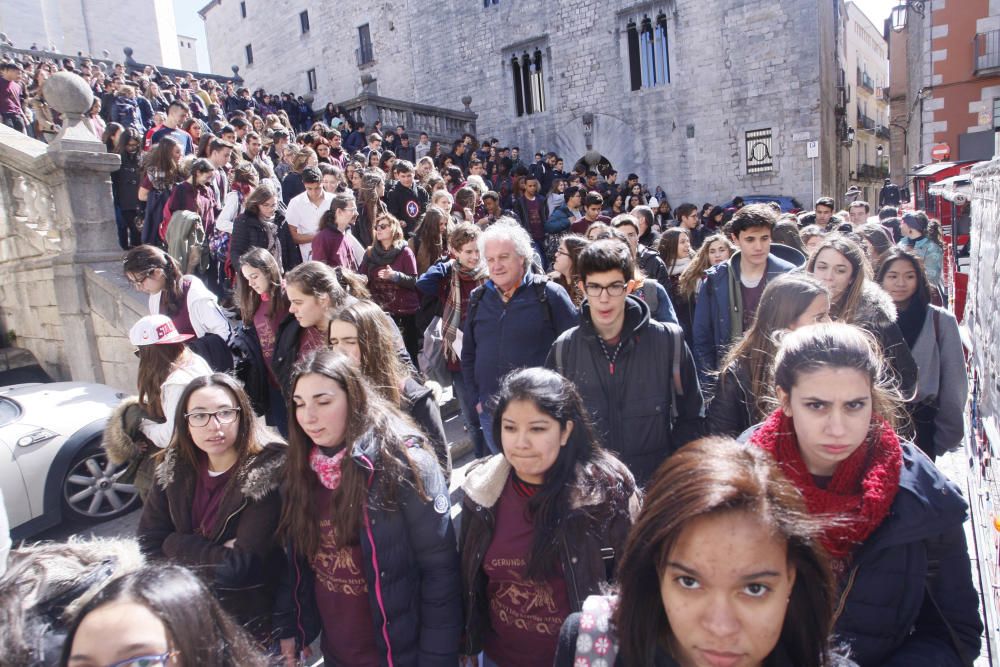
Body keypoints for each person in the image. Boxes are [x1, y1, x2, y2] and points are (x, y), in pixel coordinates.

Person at [747, 323, 982, 666]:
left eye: (855, 405)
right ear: (786, 400)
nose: (838, 427)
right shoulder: (740, 483)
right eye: (817, 406)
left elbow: (955, 634)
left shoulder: (921, 497)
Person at [555, 437, 850, 667]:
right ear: (658, 571)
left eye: (755, 588)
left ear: (791, 578)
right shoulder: (593, 648)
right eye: (689, 582)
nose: (720, 628)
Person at [273, 350, 462, 666]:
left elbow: (440, 572)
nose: (309, 416)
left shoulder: (404, 463)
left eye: (323, 401)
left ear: (353, 397)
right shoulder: (298, 470)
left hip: (399, 655)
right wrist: (294, 624)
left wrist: (436, 659)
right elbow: (297, 565)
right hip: (338, 653)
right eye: (300, 403)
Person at [460, 367, 639, 667]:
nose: (521, 443)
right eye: (510, 427)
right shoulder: (481, 492)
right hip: (498, 658)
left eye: (538, 429)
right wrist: (467, 644)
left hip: (583, 657)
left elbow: (636, 584)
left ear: (566, 430)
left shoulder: (606, 495)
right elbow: (469, 582)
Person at [136, 374, 286, 642]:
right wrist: (191, 548)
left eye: (225, 412)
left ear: (242, 415)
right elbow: (148, 541)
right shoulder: (174, 466)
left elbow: (240, 568)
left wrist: (173, 543)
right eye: (199, 415)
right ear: (186, 422)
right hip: (187, 613)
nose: (213, 426)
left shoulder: (268, 471)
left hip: (247, 619)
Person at [547, 239, 703, 484]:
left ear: (629, 287)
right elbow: (552, 425)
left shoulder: (668, 341)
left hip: (656, 491)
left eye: (614, 287)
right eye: (595, 287)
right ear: (582, 287)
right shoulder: (564, 350)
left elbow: (693, 418)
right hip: (591, 493)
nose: (604, 298)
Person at [462, 219, 579, 453]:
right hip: (492, 414)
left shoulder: (549, 295)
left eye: (503, 257)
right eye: (490, 259)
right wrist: (478, 400)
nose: (496, 266)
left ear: (522, 257)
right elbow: (468, 356)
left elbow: (576, 354)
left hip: (541, 415)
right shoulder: (478, 299)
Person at [60, 565, 270, 667]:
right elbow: (152, 536)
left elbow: (238, 563)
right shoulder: (169, 480)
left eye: (139, 663)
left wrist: (176, 540)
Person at [328, 300, 449, 474]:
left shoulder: (413, 398)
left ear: (373, 342)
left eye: (349, 341)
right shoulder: (337, 394)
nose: (339, 350)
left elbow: (440, 470)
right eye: (334, 342)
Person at [708, 273, 831, 437]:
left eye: (829, 314)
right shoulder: (738, 374)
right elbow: (721, 443)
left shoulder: (832, 363)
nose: (830, 323)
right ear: (787, 321)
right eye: (820, 317)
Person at [876, 248, 967, 459]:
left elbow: (954, 382)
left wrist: (947, 434)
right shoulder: (869, 320)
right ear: (880, 278)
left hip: (922, 423)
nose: (901, 283)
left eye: (909, 276)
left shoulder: (939, 320)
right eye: (893, 276)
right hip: (877, 423)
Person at [693, 204, 797, 383]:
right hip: (731, 376)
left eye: (764, 238)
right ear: (735, 239)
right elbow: (702, 336)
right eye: (750, 239)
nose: (759, 246)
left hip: (778, 375)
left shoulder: (790, 275)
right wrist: (712, 383)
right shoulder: (715, 279)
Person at [806, 235, 918, 400]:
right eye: (822, 267)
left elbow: (905, 378)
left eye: (840, 270)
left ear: (852, 277)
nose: (828, 276)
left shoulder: (875, 317)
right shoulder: (794, 310)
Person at [416, 222, 490, 456]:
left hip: (487, 352)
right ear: (455, 251)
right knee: (472, 416)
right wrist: (448, 265)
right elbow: (422, 283)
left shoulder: (488, 272)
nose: (474, 256)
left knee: (491, 412)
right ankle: (481, 459)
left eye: (478, 250)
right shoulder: (448, 275)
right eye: (468, 251)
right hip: (459, 357)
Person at [123, 245, 233, 371]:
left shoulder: (193, 293)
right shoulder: (155, 297)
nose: (138, 288)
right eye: (134, 283)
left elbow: (225, 332)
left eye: (140, 281)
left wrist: (192, 355)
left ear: (158, 272)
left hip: (205, 372)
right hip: (179, 372)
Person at [128, 314, 213, 452]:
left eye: (140, 352)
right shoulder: (194, 360)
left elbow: (171, 436)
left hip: (199, 452)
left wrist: (145, 426)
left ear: (150, 353)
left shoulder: (176, 384)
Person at [271, 261, 348, 396]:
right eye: (291, 302)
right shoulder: (291, 330)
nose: (291, 309)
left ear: (323, 300)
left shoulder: (356, 331)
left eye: (298, 302)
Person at [237, 247, 290, 430]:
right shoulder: (256, 300)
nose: (250, 283)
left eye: (254, 276)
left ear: (268, 270)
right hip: (271, 382)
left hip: (293, 380)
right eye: (247, 278)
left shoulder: (288, 295)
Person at [359, 212, 422, 365]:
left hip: (405, 311)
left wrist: (395, 276)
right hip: (381, 309)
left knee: (408, 351)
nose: (378, 230)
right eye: (377, 227)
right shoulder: (370, 252)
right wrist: (362, 279)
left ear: (393, 229)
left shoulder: (405, 251)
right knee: (386, 352)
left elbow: (414, 281)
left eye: (383, 226)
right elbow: (361, 274)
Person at [674, 233, 735, 347]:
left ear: (729, 252)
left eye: (722, 250)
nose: (717, 255)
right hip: (706, 337)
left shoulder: (738, 276)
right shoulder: (696, 281)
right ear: (707, 255)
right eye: (712, 251)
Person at [137, 135, 182, 246]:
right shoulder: (156, 172)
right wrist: (162, 196)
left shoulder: (179, 170)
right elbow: (142, 195)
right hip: (159, 218)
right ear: (168, 153)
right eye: (177, 152)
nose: (180, 155)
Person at [229, 182, 282, 272]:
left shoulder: (281, 219)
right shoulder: (244, 221)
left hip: (278, 274)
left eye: (273, 205)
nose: (270, 209)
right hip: (254, 275)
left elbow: (289, 250)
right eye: (265, 205)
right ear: (256, 204)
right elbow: (236, 252)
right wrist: (246, 273)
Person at [285, 166, 333, 263]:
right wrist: (320, 236)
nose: (314, 193)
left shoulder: (333, 200)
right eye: (309, 189)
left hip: (333, 253)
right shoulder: (295, 203)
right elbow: (292, 236)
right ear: (303, 184)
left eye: (317, 188)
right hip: (310, 260)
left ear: (322, 182)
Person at [312, 192, 364, 271]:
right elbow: (320, 273)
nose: (356, 213)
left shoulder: (346, 236)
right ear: (339, 212)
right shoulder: (323, 238)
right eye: (352, 210)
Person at [111, 129, 143, 250]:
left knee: (138, 233)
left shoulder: (141, 158)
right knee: (127, 230)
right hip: (124, 202)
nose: (132, 148)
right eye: (130, 145)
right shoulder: (117, 158)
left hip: (138, 201)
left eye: (135, 145)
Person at [898, 211, 944, 288]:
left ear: (911, 227)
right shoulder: (901, 243)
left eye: (902, 223)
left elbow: (932, 279)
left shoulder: (932, 249)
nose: (900, 226)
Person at [548, 233, 588, 307]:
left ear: (574, 257)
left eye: (561, 252)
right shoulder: (552, 282)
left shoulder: (586, 287)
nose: (556, 254)